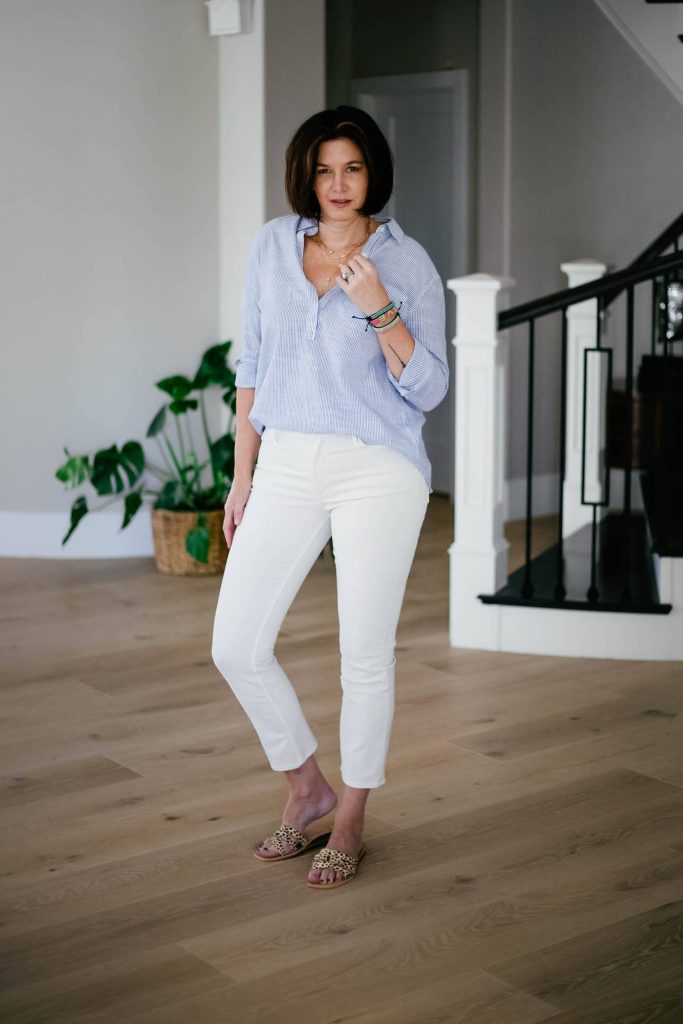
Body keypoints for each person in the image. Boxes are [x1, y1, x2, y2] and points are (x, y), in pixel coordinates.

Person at [211, 105, 449, 890]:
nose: (337, 185)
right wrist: (241, 477)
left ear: (371, 171)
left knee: (363, 656)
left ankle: (349, 816)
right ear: (304, 175)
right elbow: (250, 363)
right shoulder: (272, 248)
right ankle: (303, 784)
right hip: (283, 458)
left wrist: (378, 303)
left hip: (375, 463)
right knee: (235, 644)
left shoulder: (405, 262)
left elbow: (428, 388)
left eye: (351, 168)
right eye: (323, 169)